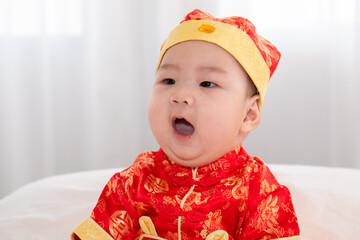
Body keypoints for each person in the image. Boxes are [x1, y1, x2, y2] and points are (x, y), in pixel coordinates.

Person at [72, 9, 301, 240]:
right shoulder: (133, 183)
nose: (180, 95)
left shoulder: (259, 191)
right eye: (168, 80)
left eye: (207, 84)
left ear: (248, 115)